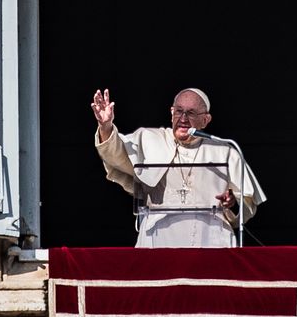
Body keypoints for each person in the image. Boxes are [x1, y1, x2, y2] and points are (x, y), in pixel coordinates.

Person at [91, 88, 266, 248]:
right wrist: (105, 127)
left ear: (205, 120)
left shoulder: (224, 151)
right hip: (158, 239)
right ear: (171, 113)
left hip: (210, 240)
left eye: (191, 113)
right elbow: (116, 153)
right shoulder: (149, 138)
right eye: (179, 111)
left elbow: (247, 203)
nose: (183, 119)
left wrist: (232, 202)